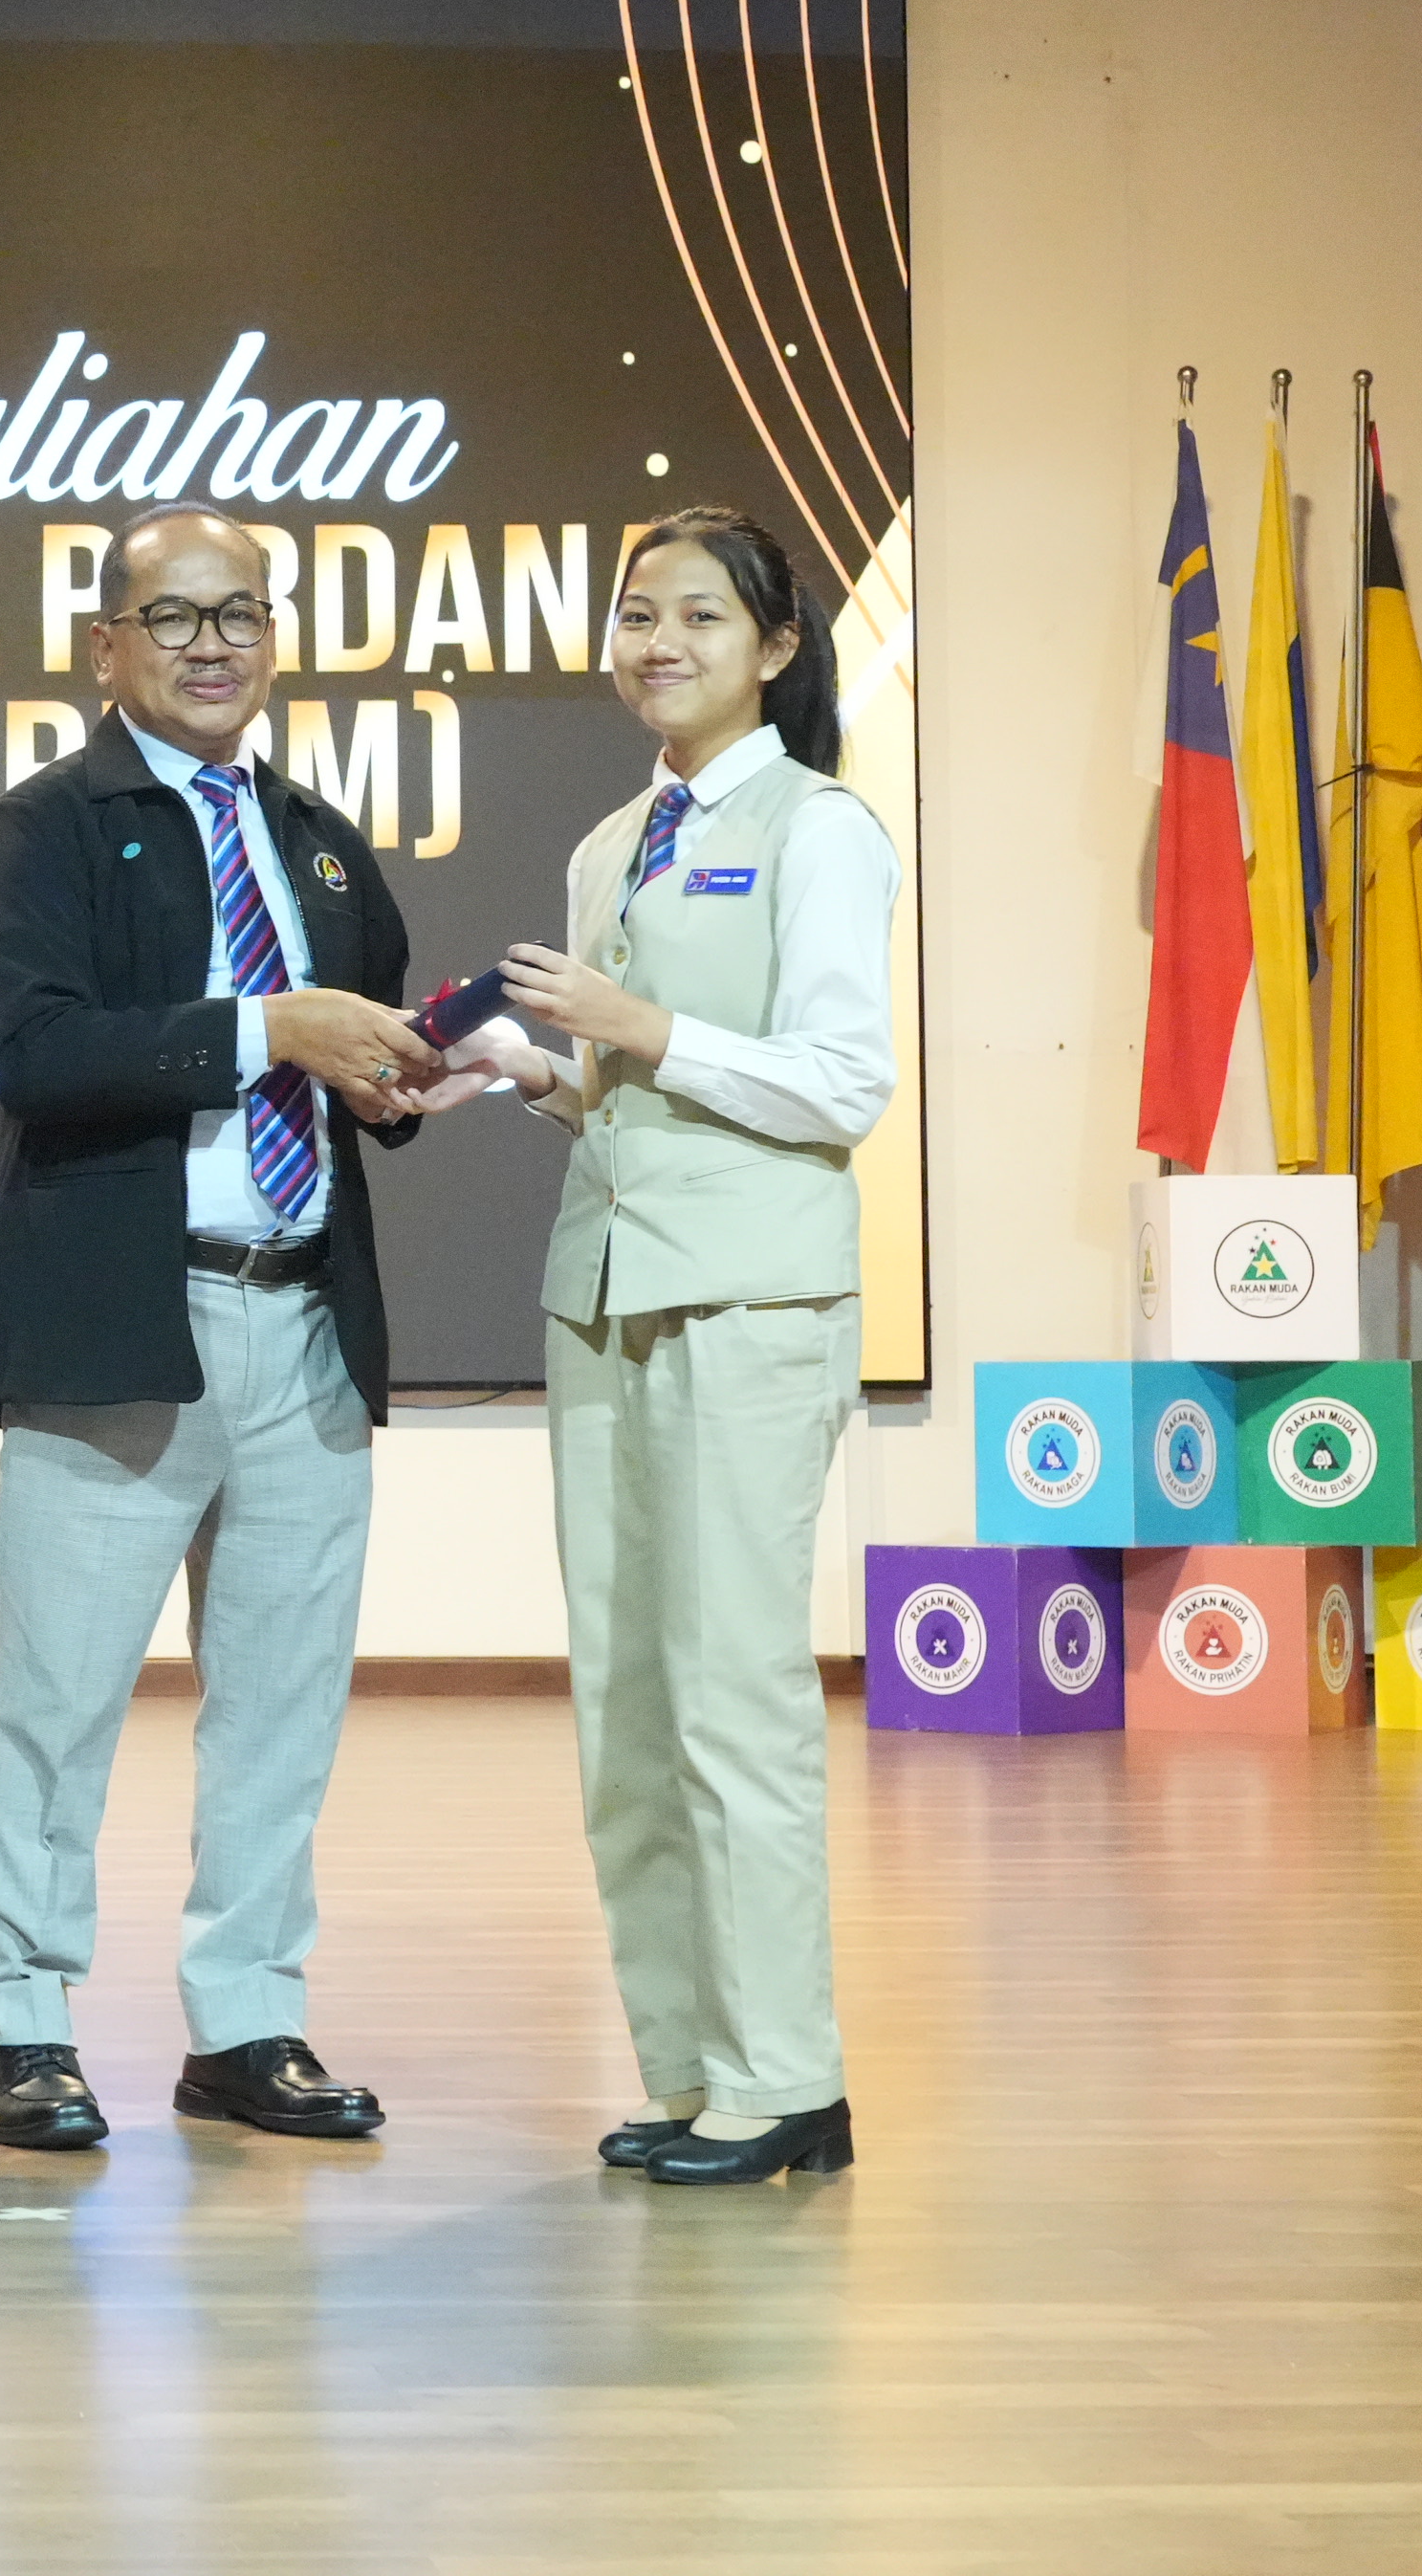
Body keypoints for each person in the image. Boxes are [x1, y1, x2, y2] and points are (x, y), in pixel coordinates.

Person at [0, 500, 445, 2151]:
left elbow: (360, 1045)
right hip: (122, 1324)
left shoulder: (318, 841)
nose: (213, 644)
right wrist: (267, 1029)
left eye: (242, 613)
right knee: (58, 1705)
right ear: (109, 647)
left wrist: (402, 1073)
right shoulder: (45, 829)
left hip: (306, 1323)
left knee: (281, 1708)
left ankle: (248, 2020)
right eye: (174, 616)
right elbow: (39, 1053)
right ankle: (27, 2023)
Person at [478, 504, 900, 2186]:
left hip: (749, 1300)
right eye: (638, 612)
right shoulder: (612, 843)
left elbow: (841, 1084)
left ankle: (788, 2079)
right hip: (604, 1290)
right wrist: (520, 1067)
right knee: (631, 1706)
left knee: (734, 1696)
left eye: (700, 615)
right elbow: (614, 1088)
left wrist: (643, 1025)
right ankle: (690, 2070)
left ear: (777, 648)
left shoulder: (821, 828)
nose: (658, 643)